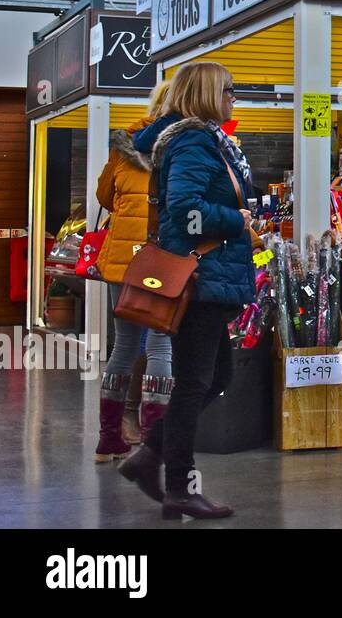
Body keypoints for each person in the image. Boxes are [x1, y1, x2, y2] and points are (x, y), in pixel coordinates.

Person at [118, 62, 254, 520]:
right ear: (206, 94)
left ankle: (147, 458)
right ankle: (178, 486)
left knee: (215, 378)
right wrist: (238, 221)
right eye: (228, 89)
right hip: (200, 280)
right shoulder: (194, 140)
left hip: (209, 278)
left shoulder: (200, 139)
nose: (235, 96)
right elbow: (185, 209)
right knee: (197, 382)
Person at [94, 81, 175, 462]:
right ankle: (154, 435)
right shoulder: (181, 146)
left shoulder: (125, 144)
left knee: (123, 346)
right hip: (160, 259)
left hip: (122, 261)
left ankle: (108, 437)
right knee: (160, 344)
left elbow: (104, 198)